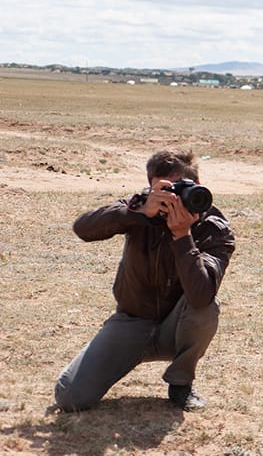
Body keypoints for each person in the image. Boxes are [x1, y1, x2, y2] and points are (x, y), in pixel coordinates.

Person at [54, 149, 235, 412]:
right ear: (152, 188)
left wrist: (182, 236)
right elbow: (82, 229)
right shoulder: (139, 207)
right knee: (70, 397)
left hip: (177, 328)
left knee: (207, 307)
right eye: (166, 190)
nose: (175, 198)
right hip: (132, 322)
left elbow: (200, 296)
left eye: (183, 188)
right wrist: (136, 212)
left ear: (197, 186)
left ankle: (180, 383)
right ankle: (117, 355)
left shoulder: (213, 228)